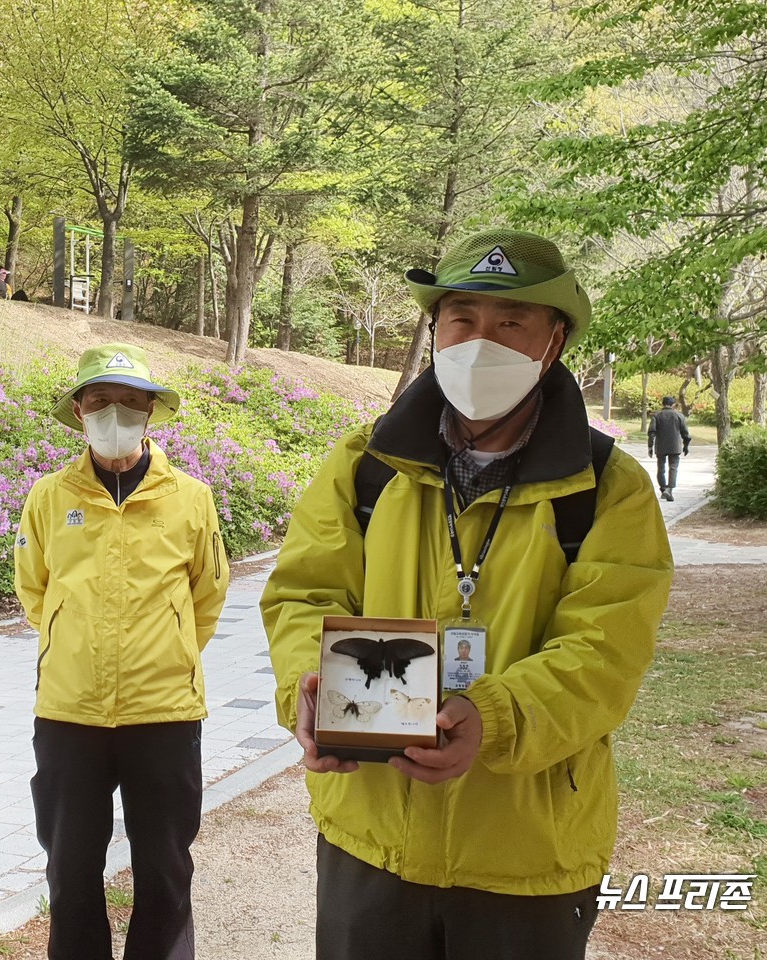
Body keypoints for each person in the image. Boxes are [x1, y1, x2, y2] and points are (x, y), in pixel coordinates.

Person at [261, 229, 674, 960]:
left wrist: (495, 719)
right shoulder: (364, 467)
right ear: (435, 332)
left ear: (553, 344)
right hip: (370, 838)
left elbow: (607, 649)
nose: (480, 341)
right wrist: (309, 687)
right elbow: (303, 595)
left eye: (511, 323)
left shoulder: (609, 489)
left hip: (526, 855)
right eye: (462, 319)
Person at [14, 343, 229, 960]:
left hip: (163, 711)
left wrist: (167, 650)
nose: (116, 414)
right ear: (79, 409)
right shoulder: (49, 497)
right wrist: (71, 640)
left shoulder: (191, 498)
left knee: (164, 868)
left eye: (131, 403)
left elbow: (207, 594)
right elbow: (33, 588)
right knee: (70, 867)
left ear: (151, 412)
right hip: (68, 711)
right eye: (102, 401)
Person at [648, 394, 691, 501]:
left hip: (661, 446)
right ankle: (669, 490)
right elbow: (685, 434)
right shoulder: (679, 416)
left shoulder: (657, 416)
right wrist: (686, 446)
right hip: (675, 446)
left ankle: (664, 489)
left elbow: (652, 432)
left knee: (661, 468)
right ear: (673, 405)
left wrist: (650, 446)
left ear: (663, 404)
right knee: (673, 467)